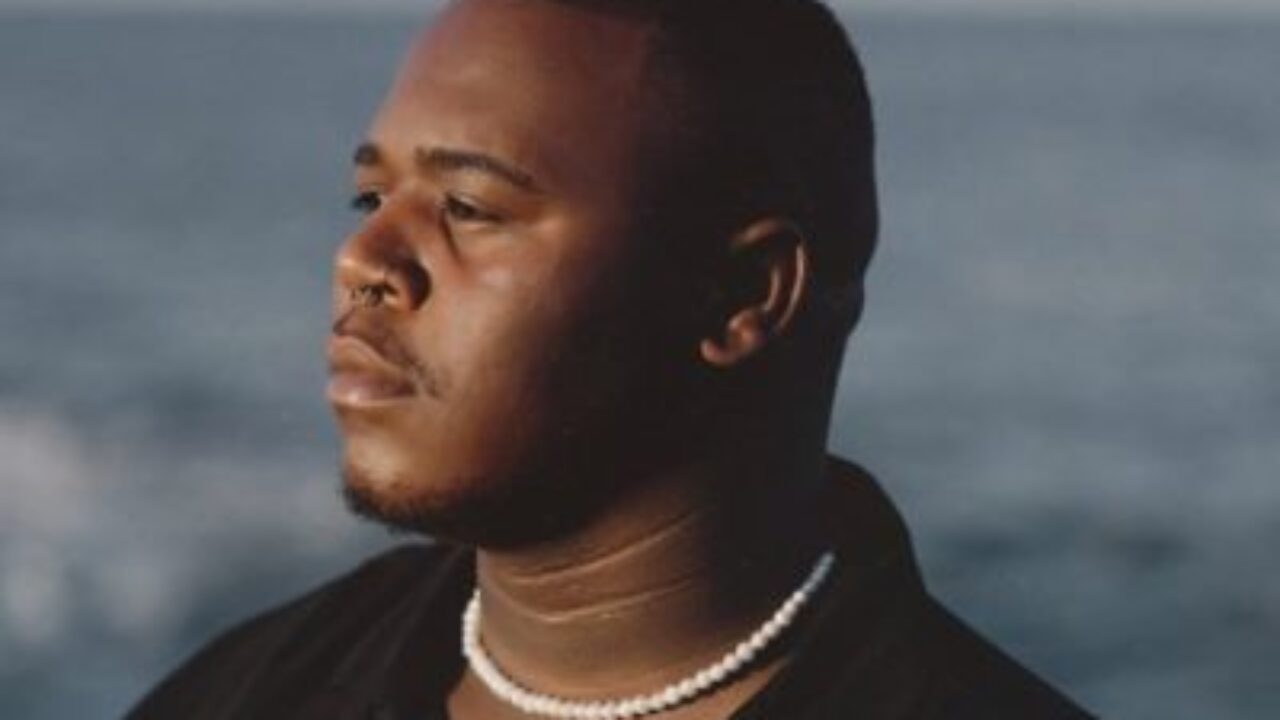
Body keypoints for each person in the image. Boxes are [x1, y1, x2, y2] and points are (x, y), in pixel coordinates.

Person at [129, 0, 1093, 717]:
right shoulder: (252, 690)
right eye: (369, 200)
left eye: (467, 208)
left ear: (744, 295)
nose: (363, 259)